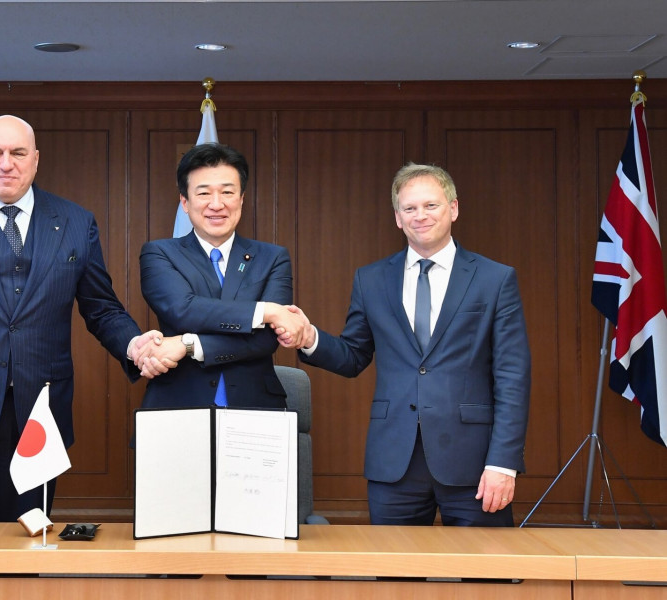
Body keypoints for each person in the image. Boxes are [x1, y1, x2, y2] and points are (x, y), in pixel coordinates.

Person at [0, 115, 171, 522]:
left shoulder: (76, 222)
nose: (7, 163)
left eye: (18, 153)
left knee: (22, 563)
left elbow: (101, 307)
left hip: (39, 417)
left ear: (35, 160)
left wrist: (133, 344)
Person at [279, 163, 531, 526]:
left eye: (431, 205)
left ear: (454, 208)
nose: (420, 216)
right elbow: (353, 356)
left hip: (475, 465)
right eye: (410, 209)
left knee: (486, 578)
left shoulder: (494, 279)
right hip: (394, 463)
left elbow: (513, 377)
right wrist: (309, 338)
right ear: (398, 218)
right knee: (396, 580)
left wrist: (503, 462)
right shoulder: (371, 279)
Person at [135, 143, 308, 408]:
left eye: (227, 192)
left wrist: (188, 344)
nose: (217, 204)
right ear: (185, 202)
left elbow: (266, 339)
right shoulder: (159, 254)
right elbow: (184, 310)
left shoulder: (273, 258)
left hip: (255, 407)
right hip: (178, 405)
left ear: (241, 198)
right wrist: (267, 312)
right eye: (204, 193)